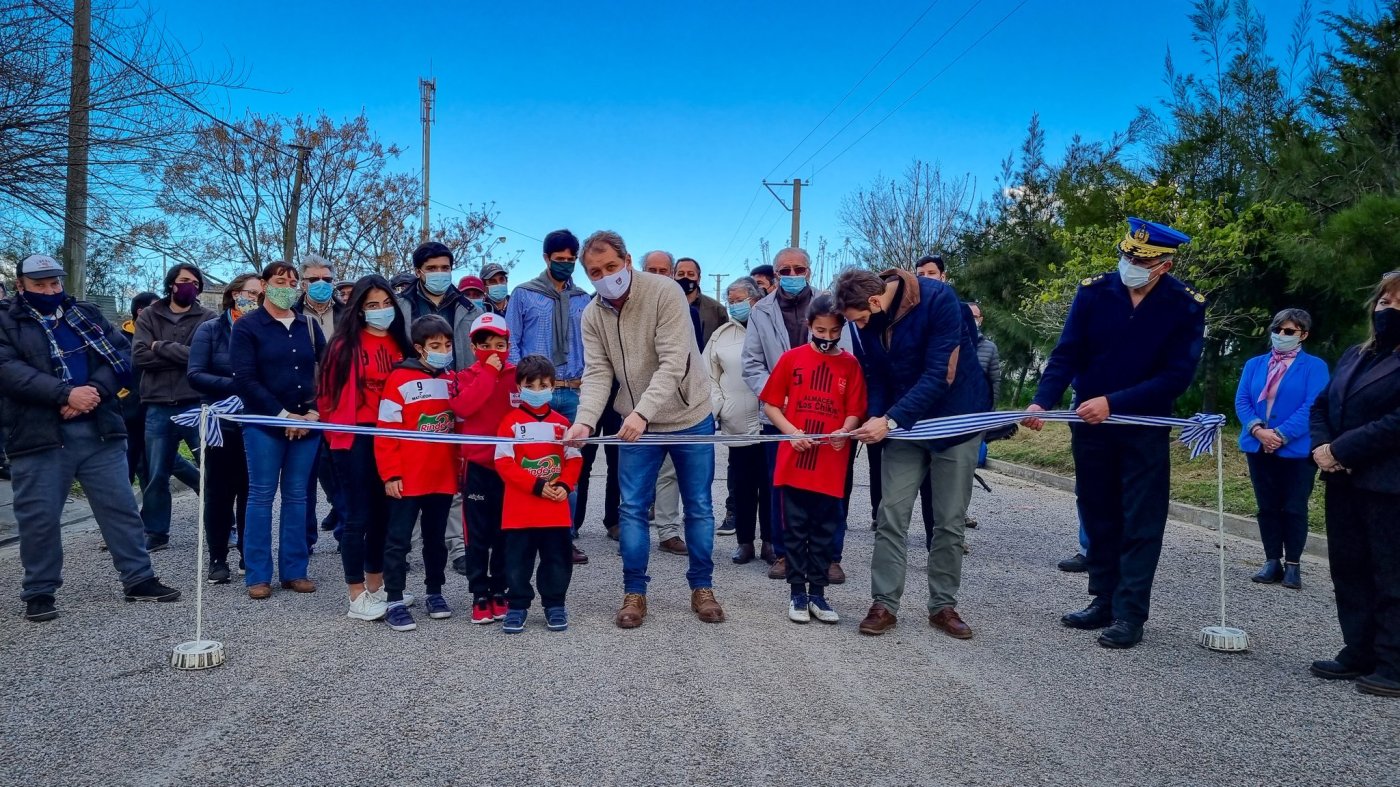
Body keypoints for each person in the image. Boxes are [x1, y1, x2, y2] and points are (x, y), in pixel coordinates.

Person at [1023, 217, 1206, 649]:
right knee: (1099, 512)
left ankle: (1130, 613)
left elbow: (1176, 377)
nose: (1130, 264)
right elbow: (1066, 353)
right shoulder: (1094, 292)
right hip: (1091, 425)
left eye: (1140, 259)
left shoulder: (1185, 306)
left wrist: (1114, 402)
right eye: (1126, 255)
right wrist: (1041, 401)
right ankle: (1102, 599)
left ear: (1164, 264)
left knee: (1140, 520)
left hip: (1142, 426)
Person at [0, 254, 179, 621]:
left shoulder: (85, 314)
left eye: (55, 283)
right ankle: (39, 591)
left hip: (99, 429)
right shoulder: (6, 321)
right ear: (21, 286)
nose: (50, 291)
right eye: (40, 285)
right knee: (39, 517)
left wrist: (92, 391)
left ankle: (139, 579)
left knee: (120, 508)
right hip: (38, 434)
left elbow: (122, 356)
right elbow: (9, 371)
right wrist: (64, 394)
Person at [566, 230, 726, 628]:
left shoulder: (664, 292)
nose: (604, 276)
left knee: (700, 507)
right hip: (636, 423)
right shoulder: (592, 314)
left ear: (628, 260)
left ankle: (702, 587)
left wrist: (641, 413)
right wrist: (584, 420)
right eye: (594, 271)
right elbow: (599, 372)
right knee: (632, 509)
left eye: (611, 267)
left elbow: (674, 362)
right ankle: (634, 591)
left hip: (690, 418)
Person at [838, 266, 987, 640]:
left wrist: (888, 420)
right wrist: (874, 416)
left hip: (954, 421)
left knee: (949, 520)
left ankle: (943, 606)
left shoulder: (940, 299)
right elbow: (874, 373)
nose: (855, 326)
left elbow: (941, 375)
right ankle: (884, 603)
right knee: (891, 515)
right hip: (902, 426)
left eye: (857, 318)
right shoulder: (865, 319)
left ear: (874, 300)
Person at [1307, 273, 1400, 698]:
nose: (1389, 310)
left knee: (1391, 575)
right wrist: (1322, 447)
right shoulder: (1354, 354)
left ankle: (1393, 662)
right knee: (1349, 569)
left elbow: (1395, 423)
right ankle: (1359, 649)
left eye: (1399, 303)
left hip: (1388, 485)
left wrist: (1342, 449)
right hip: (1342, 481)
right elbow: (1322, 404)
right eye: (1384, 302)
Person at [741, 248, 853, 582]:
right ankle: (785, 554)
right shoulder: (760, 310)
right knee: (782, 487)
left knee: (833, 489)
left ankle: (830, 556)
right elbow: (751, 364)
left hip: (829, 416)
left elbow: (845, 355)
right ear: (775, 275)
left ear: (810, 270)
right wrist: (782, 396)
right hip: (779, 416)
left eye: (798, 269)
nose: (792, 276)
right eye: (784, 270)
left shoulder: (831, 305)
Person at [760, 295, 867, 624]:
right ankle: (796, 594)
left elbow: (855, 410)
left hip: (831, 462)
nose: (827, 337)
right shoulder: (792, 359)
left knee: (824, 528)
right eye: (821, 330)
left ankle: (818, 594)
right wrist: (792, 431)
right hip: (794, 460)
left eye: (834, 331)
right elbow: (771, 404)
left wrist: (845, 430)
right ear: (810, 326)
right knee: (794, 528)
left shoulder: (850, 364)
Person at [318, 275, 413, 622]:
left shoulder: (401, 342)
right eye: (372, 305)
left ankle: (377, 586)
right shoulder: (343, 347)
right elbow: (326, 399)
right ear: (358, 310)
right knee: (358, 515)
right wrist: (337, 440)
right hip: (355, 436)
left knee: (384, 515)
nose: (381, 311)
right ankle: (356, 593)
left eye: (386, 303)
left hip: (394, 437)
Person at [231, 261, 326, 600]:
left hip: (308, 424)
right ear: (266, 284)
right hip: (265, 423)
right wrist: (283, 415)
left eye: (291, 280)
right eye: (279, 280)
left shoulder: (309, 325)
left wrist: (314, 410)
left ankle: (295, 570)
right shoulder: (247, 327)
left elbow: (326, 370)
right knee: (260, 496)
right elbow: (245, 378)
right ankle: (257, 574)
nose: (287, 285)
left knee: (299, 497)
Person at [507, 229, 592, 564]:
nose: (567, 266)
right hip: (534, 393)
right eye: (560, 260)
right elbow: (511, 340)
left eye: (572, 260)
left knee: (569, 466)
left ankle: (564, 537)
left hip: (572, 392)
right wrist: (520, 386)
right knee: (529, 465)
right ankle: (525, 532)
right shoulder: (524, 294)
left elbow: (591, 345)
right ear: (546, 259)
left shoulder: (584, 299)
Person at [395, 241, 482, 571]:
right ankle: (405, 546)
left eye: (445, 267)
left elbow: (477, 353)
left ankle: (458, 545)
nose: (440, 273)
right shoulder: (401, 306)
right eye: (432, 268)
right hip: (414, 396)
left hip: (456, 394)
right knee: (412, 471)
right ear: (419, 271)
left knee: (454, 473)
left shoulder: (470, 309)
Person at [375, 315, 459, 631]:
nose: (443, 350)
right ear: (419, 348)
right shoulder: (399, 380)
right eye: (435, 346)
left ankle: (434, 592)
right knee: (398, 540)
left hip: (442, 475)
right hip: (407, 478)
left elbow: (460, 427)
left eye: (447, 345)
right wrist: (390, 474)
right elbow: (385, 432)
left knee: (436, 540)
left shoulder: (452, 379)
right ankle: (394, 597)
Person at [1234, 308, 1328, 589]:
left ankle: (1294, 565)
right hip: (1258, 444)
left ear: (1303, 335)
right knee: (1267, 506)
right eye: (1277, 330)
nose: (1281, 336)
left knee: (1294, 507)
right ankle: (1271, 559)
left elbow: (1313, 405)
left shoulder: (1314, 366)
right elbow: (1242, 400)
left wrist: (1281, 434)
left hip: (1296, 449)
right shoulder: (1255, 364)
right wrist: (1258, 430)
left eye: (1289, 331)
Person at [495, 354, 583, 633]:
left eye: (543, 384)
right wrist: (535, 486)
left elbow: (573, 459)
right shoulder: (509, 423)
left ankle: (555, 603)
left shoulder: (561, 425)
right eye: (530, 385)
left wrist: (564, 486)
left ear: (553, 386)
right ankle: (517, 605)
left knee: (557, 560)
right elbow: (503, 462)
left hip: (555, 510)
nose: (537, 391)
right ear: (519, 386)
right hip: (519, 511)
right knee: (517, 562)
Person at [132, 263, 213, 552]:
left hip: (196, 403)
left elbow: (203, 357)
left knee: (212, 470)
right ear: (171, 284)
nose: (188, 285)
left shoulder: (208, 317)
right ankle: (155, 532)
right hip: (157, 405)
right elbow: (139, 356)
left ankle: (221, 527)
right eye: (182, 280)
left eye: (194, 281)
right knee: (156, 474)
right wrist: (179, 355)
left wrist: (159, 346)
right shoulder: (151, 314)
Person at [187, 273, 263, 582]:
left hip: (254, 423)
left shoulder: (264, 331)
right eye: (250, 293)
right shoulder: (210, 329)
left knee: (251, 492)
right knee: (218, 494)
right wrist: (238, 385)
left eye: (261, 294)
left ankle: (249, 552)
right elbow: (195, 374)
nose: (255, 299)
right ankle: (217, 557)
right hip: (219, 423)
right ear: (234, 294)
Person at [453, 312, 517, 624]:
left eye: (500, 344)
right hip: (478, 467)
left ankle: (500, 589)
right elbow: (464, 407)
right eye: (486, 345)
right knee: (477, 535)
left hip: (510, 468)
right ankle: (479, 592)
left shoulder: (519, 376)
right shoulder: (466, 377)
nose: (494, 351)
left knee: (506, 533)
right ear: (475, 346)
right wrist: (488, 374)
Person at [707, 277, 770, 564]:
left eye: (738, 300)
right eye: (730, 301)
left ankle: (771, 542)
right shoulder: (722, 335)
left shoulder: (773, 326)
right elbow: (708, 375)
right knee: (743, 486)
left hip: (772, 423)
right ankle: (745, 542)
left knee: (770, 485)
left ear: (755, 299)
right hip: (738, 424)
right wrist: (721, 407)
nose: (734, 306)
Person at [639, 249, 688, 555]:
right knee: (635, 472)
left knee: (670, 471)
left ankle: (668, 531)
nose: (657, 277)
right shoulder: (623, 310)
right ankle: (631, 531)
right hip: (635, 405)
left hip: (676, 405)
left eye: (663, 271)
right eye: (651, 270)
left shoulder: (685, 311)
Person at [295, 254, 345, 545]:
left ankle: (345, 534)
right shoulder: (288, 313)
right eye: (314, 279)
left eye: (327, 279)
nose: (321, 284)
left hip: (340, 402)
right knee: (303, 478)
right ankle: (305, 539)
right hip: (303, 403)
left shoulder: (349, 314)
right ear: (303, 283)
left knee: (339, 471)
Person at [119, 292, 162, 486]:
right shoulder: (120, 340)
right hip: (128, 417)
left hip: (153, 414)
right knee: (126, 468)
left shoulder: (160, 337)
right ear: (141, 311)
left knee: (151, 473)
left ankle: (149, 516)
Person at [675, 257, 728, 348]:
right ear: (674, 277)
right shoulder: (664, 305)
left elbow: (726, 344)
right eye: (681, 274)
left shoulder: (717, 309)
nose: (685, 277)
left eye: (691, 274)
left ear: (699, 279)